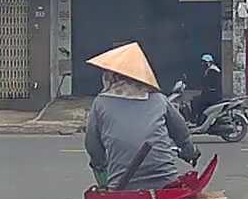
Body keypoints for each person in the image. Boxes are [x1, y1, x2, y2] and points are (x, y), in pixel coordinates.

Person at [84, 42, 200, 190]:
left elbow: (92, 146)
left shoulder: (101, 103)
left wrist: (100, 165)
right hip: (166, 183)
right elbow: (181, 132)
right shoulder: (159, 100)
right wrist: (189, 152)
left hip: (122, 187)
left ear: (111, 77)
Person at [189, 53, 223, 127]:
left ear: (209, 62)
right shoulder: (210, 70)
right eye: (203, 62)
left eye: (205, 62)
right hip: (211, 94)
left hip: (212, 95)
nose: (203, 64)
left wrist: (204, 88)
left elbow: (210, 83)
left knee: (195, 102)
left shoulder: (213, 71)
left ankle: (196, 121)